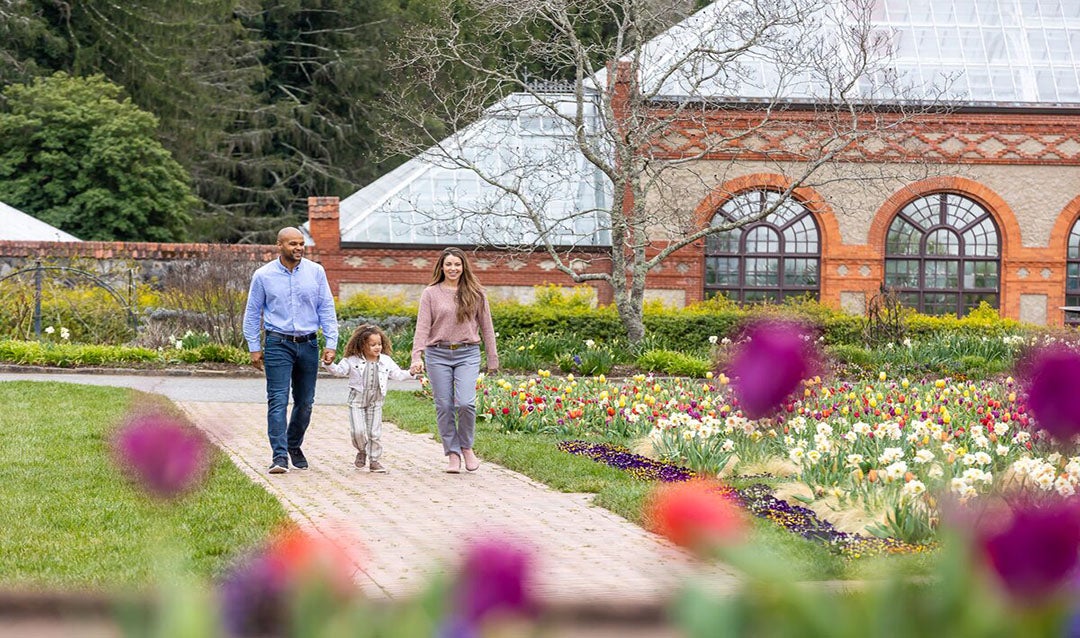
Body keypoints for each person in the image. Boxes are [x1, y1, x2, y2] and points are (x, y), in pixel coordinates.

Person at [243, 227, 338, 474]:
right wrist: (254, 347)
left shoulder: (316, 272)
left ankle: (293, 444)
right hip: (278, 343)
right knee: (277, 400)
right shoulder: (263, 276)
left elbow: (326, 307)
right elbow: (253, 312)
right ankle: (279, 456)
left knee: (305, 402)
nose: (298, 248)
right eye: (293, 244)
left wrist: (331, 342)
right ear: (279, 245)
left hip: (308, 343)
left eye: (301, 244)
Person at [410, 247, 499, 474]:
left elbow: (487, 328)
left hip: (467, 353)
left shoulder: (476, 293)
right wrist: (416, 356)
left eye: (457, 264)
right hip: (437, 354)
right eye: (448, 264)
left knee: (466, 403)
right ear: (441, 267)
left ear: (463, 267)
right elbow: (422, 327)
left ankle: (466, 447)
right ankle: (452, 453)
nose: (453, 268)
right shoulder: (430, 293)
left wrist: (492, 360)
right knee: (445, 405)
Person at [323, 324, 414, 473]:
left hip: (375, 401)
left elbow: (398, 374)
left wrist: (411, 372)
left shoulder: (385, 360)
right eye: (372, 345)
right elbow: (339, 371)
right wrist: (329, 364)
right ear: (362, 345)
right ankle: (362, 450)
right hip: (357, 401)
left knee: (374, 433)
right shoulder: (352, 360)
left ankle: (374, 460)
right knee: (357, 431)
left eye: (379, 344)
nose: (377, 347)